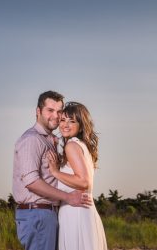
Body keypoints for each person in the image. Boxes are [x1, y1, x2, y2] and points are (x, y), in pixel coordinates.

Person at [13, 91, 92, 250]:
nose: (55, 116)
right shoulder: (32, 139)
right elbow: (32, 182)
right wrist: (67, 197)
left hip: (48, 215)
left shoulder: (51, 141)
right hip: (37, 214)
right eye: (50, 110)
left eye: (59, 111)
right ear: (38, 111)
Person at [47, 101, 108, 250]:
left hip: (75, 213)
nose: (65, 125)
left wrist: (55, 172)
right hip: (82, 211)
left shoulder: (71, 146)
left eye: (72, 121)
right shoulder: (81, 145)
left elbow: (84, 181)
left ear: (81, 125)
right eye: (63, 120)